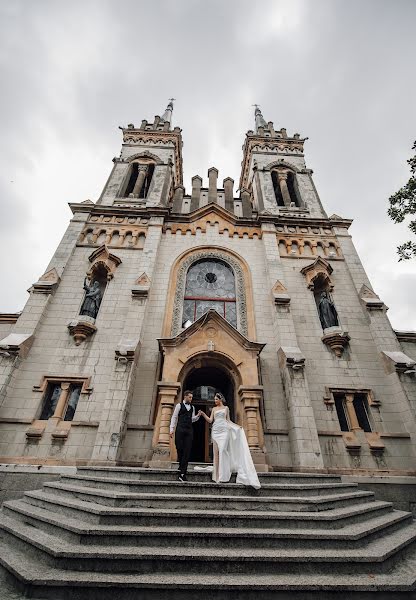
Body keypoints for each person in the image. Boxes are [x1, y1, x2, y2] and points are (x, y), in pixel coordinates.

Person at [198, 393, 260, 489]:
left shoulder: (226, 408)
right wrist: (203, 414)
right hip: (215, 431)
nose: (214, 401)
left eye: (216, 399)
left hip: (224, 430)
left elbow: (228, 420)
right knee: (216, 454)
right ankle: (217, 476)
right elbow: (210, 420)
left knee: (223, 450)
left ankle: (223, 475)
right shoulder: (214, 409)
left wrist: (237, 426)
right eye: (214, 400)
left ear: (220, 399)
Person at [170, 390, 200, 482]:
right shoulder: (179, 406)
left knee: (187, 450)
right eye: (190, 397)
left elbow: (192, 419)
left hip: (189, 431)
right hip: (180, 429)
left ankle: (183, 473)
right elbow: (174, 417)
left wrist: (198, 416)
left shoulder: (192, 407)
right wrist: (171, 429)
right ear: (185, 397)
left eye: (192, 397)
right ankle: (180, 464)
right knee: (179, 447)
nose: (191, 399)